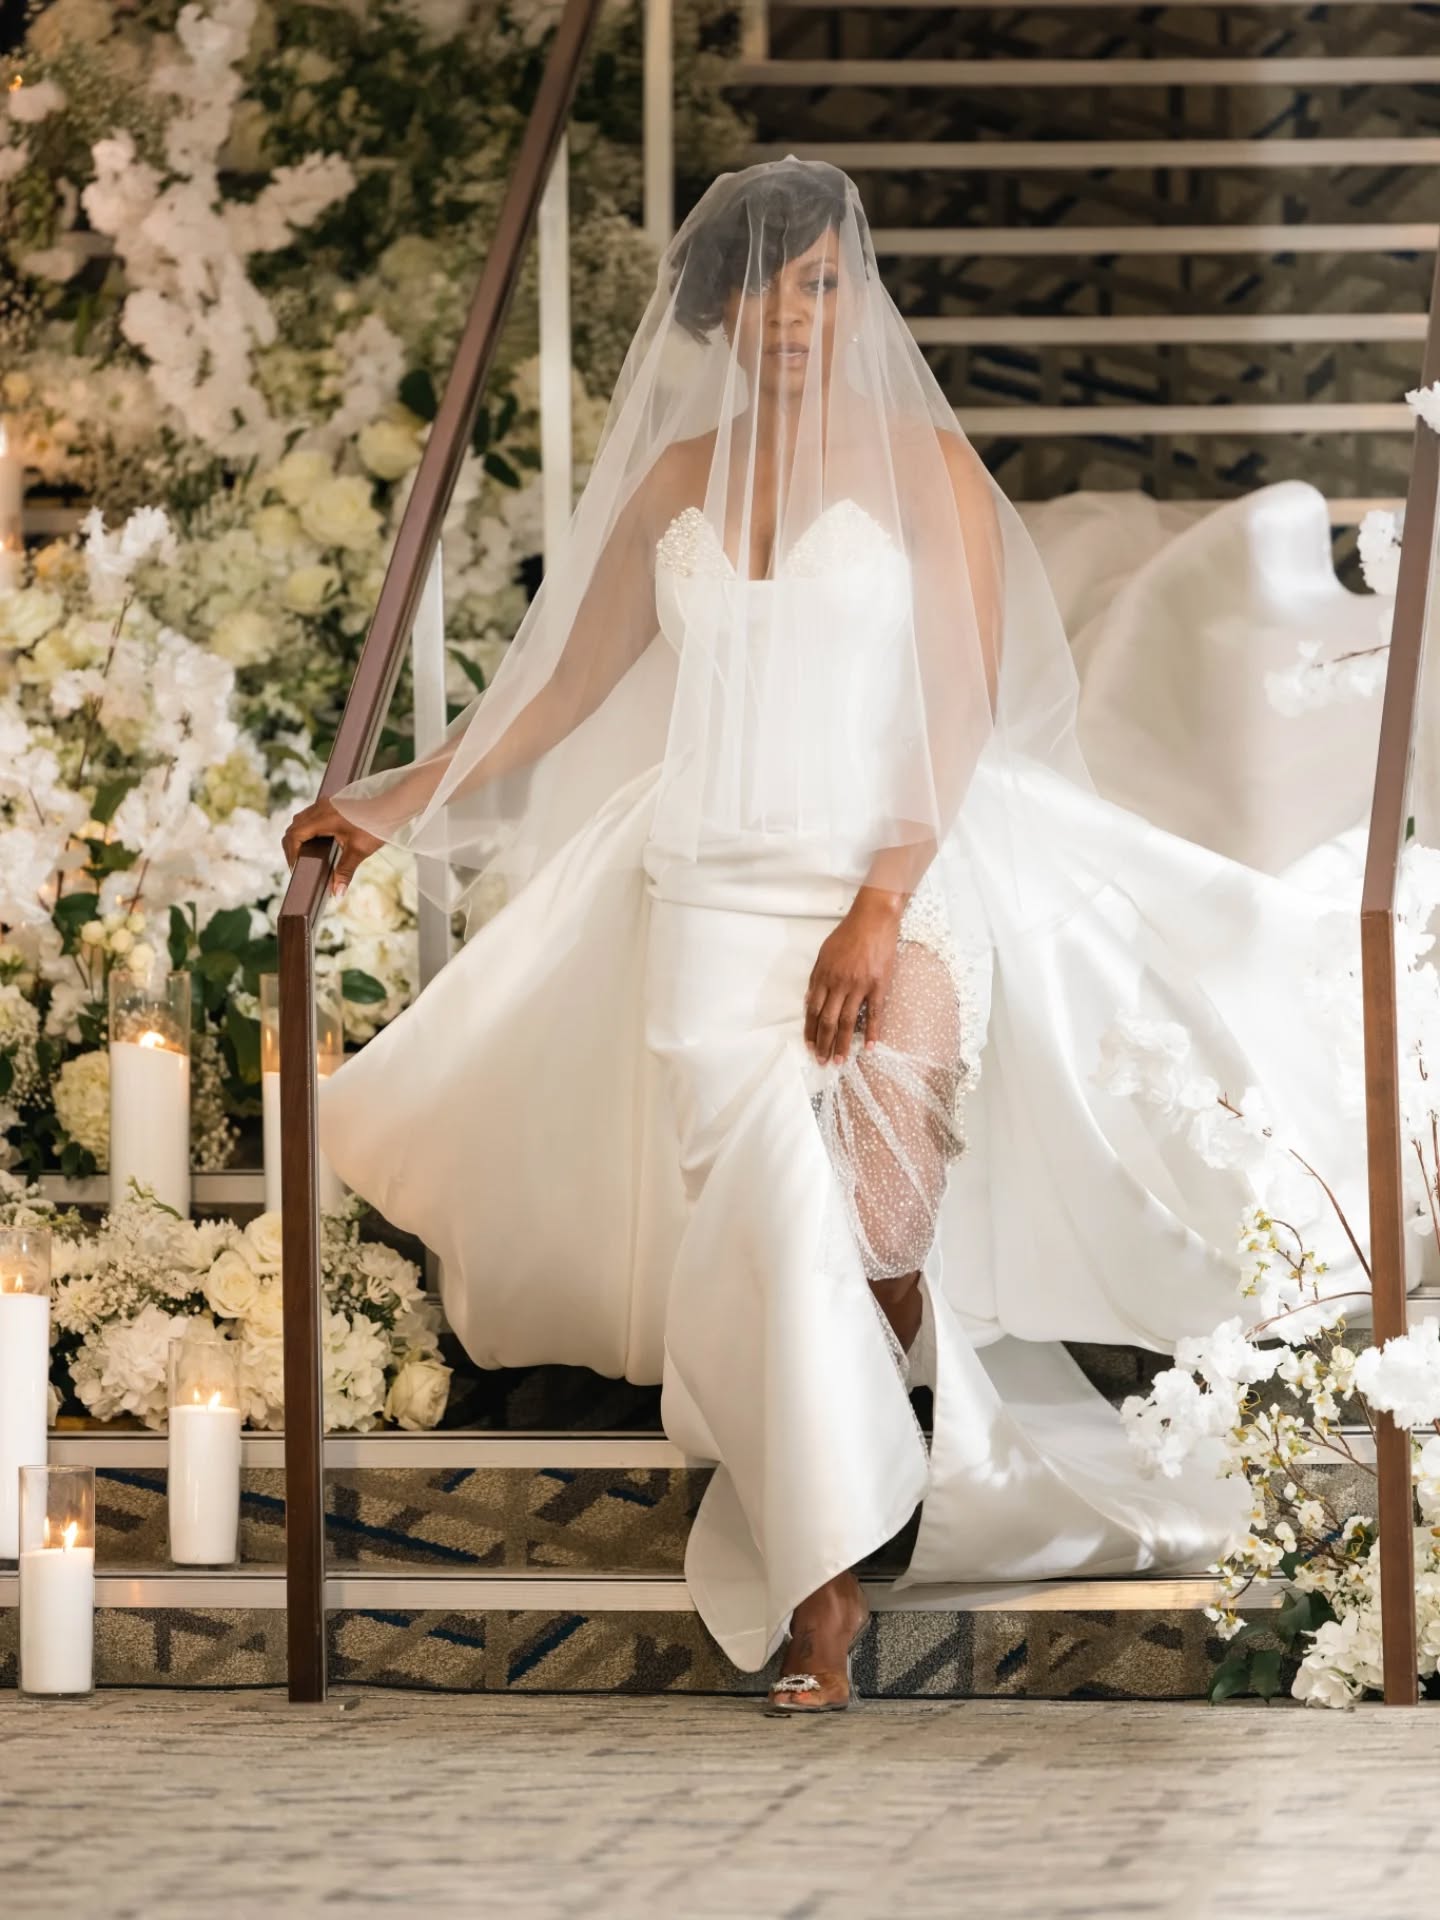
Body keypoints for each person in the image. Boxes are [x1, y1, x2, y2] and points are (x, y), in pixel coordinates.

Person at [284, 158, 1364, 1711]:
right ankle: (824, 1592)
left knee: (873, 1234)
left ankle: (873, 1426)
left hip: (901, 885)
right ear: (719, 310)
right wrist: (391, 800)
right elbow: (563, 692)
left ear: (857, 300)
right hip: (706, 903)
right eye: (767, 288)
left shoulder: (926, 465)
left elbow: (962, 700)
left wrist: (876, 904)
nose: (797, 314)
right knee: (784, 1227)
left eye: (823, 285)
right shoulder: (674, 487)